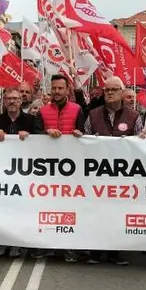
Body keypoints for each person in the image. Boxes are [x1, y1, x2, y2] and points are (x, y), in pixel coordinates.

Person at [84, 77, 143, 265]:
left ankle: (114, 251)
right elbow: (84, 140)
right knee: (96, 211)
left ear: (122, 92)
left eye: (114, 89)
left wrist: (142, 139)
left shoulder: (134, 116)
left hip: (122, 176)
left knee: (117, 213)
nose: (109, 93)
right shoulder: (93, 114)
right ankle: (94, 250)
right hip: (98, 173)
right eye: (107, 89)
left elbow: (141, 146)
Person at [37, 74, 85, 263]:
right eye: (54, 88)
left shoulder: (78, 109)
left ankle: (69, 247)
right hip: (46, 168)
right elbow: (35, 134)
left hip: (70, 170)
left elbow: (85, 133)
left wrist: (79, 133)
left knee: (69, 209)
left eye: (60, 88)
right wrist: (45, 132)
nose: (56, 92)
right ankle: (44, 245)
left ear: (67, 90)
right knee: (46, 207)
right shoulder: (42, 111)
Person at [0, 88, 43, 258]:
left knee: (19, 210)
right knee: (2, 209)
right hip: (0, 173)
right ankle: (1, 242)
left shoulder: (31, 120)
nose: (12, 101)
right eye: (9, 99)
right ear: (4, 101)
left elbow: (41, 142)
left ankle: (17, 243)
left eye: (15, 98)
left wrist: (30, 136)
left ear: (21, 101)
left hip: (24, 174)